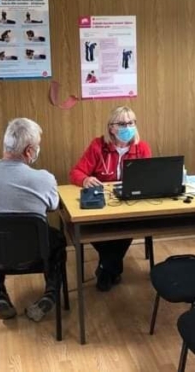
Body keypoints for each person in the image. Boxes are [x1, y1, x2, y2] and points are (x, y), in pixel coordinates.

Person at [0, 118, 66, 323]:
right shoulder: (44, 179)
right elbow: (53, 206)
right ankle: (50, 295)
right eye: (37, 146)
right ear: (29, 151)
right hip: (33, 256)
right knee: (57, 239)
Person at [69, 106, 151, 291]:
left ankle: (105, 268)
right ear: (111, 127)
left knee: (129, 226)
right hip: (104, 204)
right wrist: (85, 179)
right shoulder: (98, 146)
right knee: (93, 228)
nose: (128, 127)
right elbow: (76, 172)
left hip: (130, 204)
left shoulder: (142, 148)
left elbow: (147, 177)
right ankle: (112, 268)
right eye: (122, 124)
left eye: (131, 123)